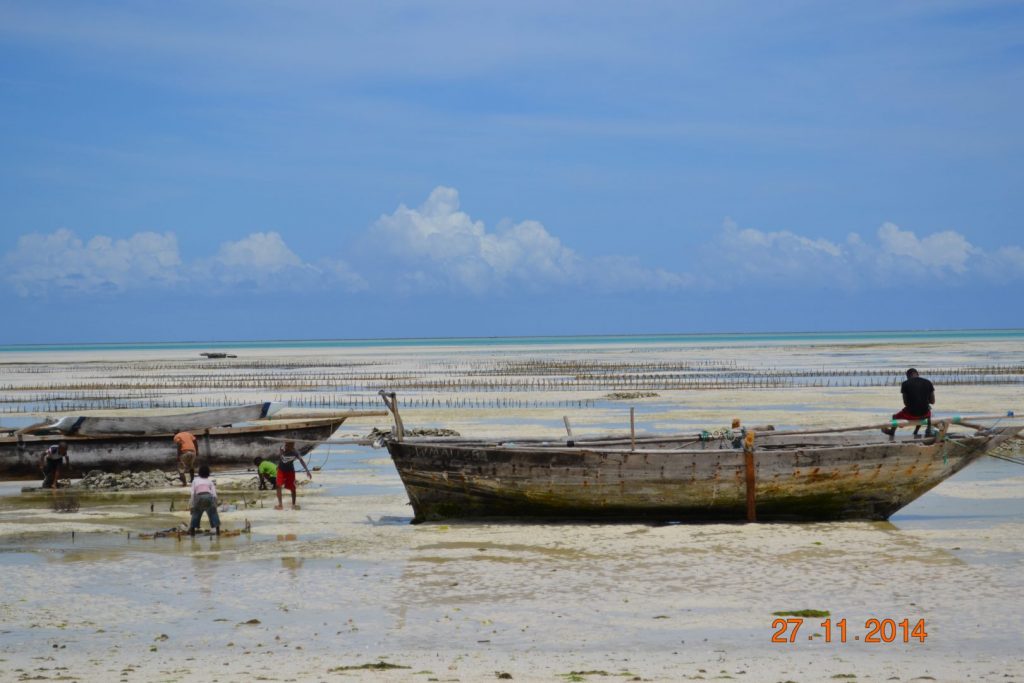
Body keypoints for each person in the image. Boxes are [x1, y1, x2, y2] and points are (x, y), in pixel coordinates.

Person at [884, 368, 935, 437]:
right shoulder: (928, 382)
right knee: (924, 408)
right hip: (925, 414)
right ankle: (915, 432)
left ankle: (892, 432)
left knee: (895, 417)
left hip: (911, 414)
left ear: (907, 376)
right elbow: (933, 401)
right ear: (917, 374)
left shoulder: (905, 384)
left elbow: (906, 403)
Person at [275, 441, 312, 510]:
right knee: (278, 485)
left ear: (292, 446)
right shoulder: (282, 448)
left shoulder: (295, 452)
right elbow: (280, 457)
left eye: (288, 445)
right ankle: (280, 505)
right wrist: (278, 465)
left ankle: (293, 504)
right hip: (281, 470)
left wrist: (307, 471)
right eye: (286, 445)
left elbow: (301, 461)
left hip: (290, 471)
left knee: (292, 488)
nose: (286, 447)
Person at [188, 463, 220, 536]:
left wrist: (192, 505)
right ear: (208, 473)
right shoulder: (210, 482)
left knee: (195, 515)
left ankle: (192, 533)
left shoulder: (195, 480)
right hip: (209, 497)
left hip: (199, 497)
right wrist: (215, 505)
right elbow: (214, 494)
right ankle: (218, 531)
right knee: (213, 514)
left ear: (199, 473)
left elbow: (193, 494)